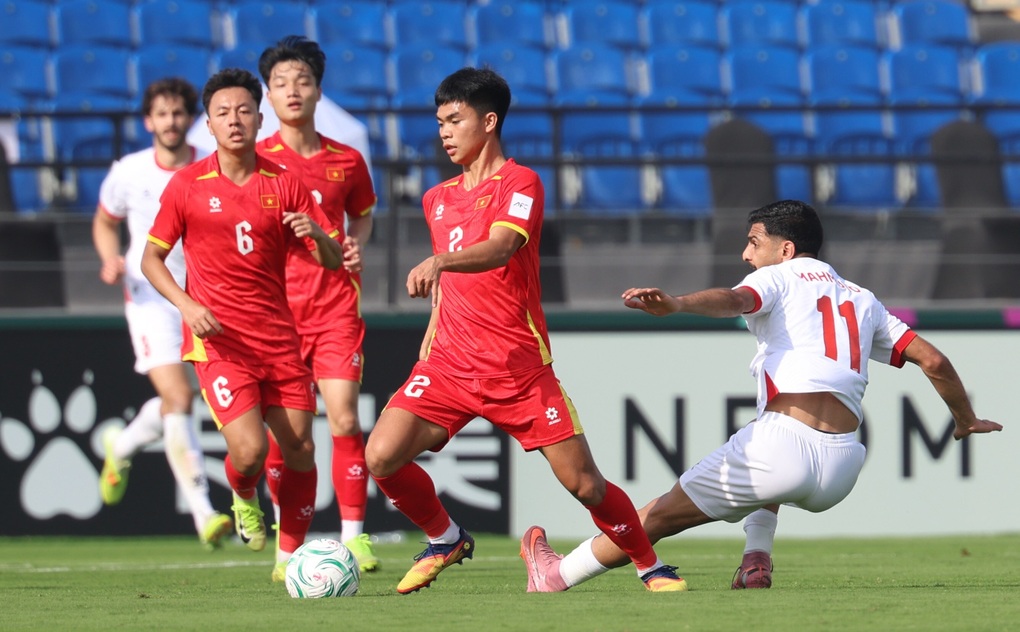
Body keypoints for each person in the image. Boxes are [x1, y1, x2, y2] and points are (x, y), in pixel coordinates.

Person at [520, 199, 1004, 592]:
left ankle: (556, 576)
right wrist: (965, 420)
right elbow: (934, 361)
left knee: (661, 514)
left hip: (782, 448)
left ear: (786, 249)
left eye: (754, 243)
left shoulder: (774, 277)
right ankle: (757, 560)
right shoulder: (862, 297)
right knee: (758, 443)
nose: (747, 256)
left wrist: (678, 304)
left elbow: (735, 300)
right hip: (842, 468)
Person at [363, 67, 686, 595]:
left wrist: (439, 261)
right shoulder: (436, 199)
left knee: (585, 484)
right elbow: (448, 288)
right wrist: (428, 343)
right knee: (380, 454)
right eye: (439, 122)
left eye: (455, 120)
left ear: (488, 121)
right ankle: (445, 538)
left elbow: (500, 248)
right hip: (447, 366)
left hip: (518, 369)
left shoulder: (521, 182)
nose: (443, 132)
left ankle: (650, 565)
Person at [140, 68, 344, 581]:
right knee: (250, 451)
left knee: (299, 449)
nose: (235, 121)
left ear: (260, 117)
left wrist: (316, 235)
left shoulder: (285, 182)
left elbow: (333, 261)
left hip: (280, 339)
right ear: (207, 125)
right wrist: (187, 306)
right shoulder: (187, 185)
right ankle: (243, 493)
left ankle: (288, 559)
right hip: (220, 343)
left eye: (244, 111)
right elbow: (151, 260)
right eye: (223, 114)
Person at [256, 36, 379, 577]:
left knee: (345, 417)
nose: (292, 90)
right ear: (267, 94)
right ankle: (290, 542)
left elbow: (364, 215)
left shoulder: (346, 159)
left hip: (334, 307)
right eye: (281, 82)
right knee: (288, 436)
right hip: (276, 315)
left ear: (318, 89)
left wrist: (359, 243)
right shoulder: (257, 164)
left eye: (302, 80)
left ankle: (355, 539)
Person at [92, 77, 232, 550]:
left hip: (207, 296)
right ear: (148, 120)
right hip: (151, 299)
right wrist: (110, 258)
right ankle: (204, 514)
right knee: (180, 397)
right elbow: (105, 220)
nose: (170, 122)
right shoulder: (129, 171)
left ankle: (123, 445)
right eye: (162, 114)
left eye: (178, 113)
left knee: (179, 402)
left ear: (189, 119)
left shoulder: (213, 168)